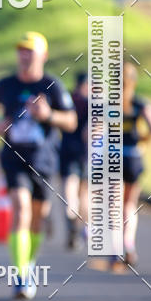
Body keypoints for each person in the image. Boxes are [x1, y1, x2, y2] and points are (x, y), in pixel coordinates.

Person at [0, 32, 77, 299]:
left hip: (44, 161)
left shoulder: (52, 85)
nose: (25, 56)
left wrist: (48, 115)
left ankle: (29, 262)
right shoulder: (6, 84)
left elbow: (71, 121)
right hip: (13, 159)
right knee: (21, 209)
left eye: (30, 51)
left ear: (43, 56)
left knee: (37, 217)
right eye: (21, 51)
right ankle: (21, 274)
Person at [119, 62, 151, 267]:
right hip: (134, 157)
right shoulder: (140, 103)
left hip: (113, 157)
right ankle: (128, 243)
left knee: (114, 204)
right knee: (130, 204)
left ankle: (117, 245)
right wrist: (144, 139)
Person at [59, 72, 89, 250]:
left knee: (70, 190)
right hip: (84, 153)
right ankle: (82, 228)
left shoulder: (67, 99)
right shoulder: (94, 103)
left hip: (68, 150)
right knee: (83, 193)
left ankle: (73, 222)